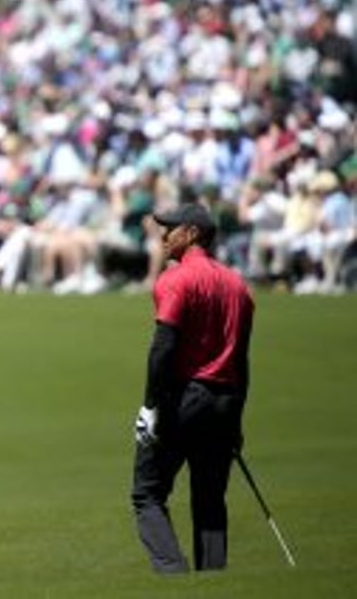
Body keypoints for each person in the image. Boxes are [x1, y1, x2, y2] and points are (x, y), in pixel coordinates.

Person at [131, 202, 255, 573]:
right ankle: (212, 580)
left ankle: (173, 575)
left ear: (192, 233)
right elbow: (242, 361)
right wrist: (236, 421)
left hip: (186, 398)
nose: (163, 235)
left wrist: (151, 406)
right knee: (210, 498)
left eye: (169, 228)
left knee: (148, 493)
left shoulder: (176, 279)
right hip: (226, 400)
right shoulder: (238, 285)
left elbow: (163, 349)